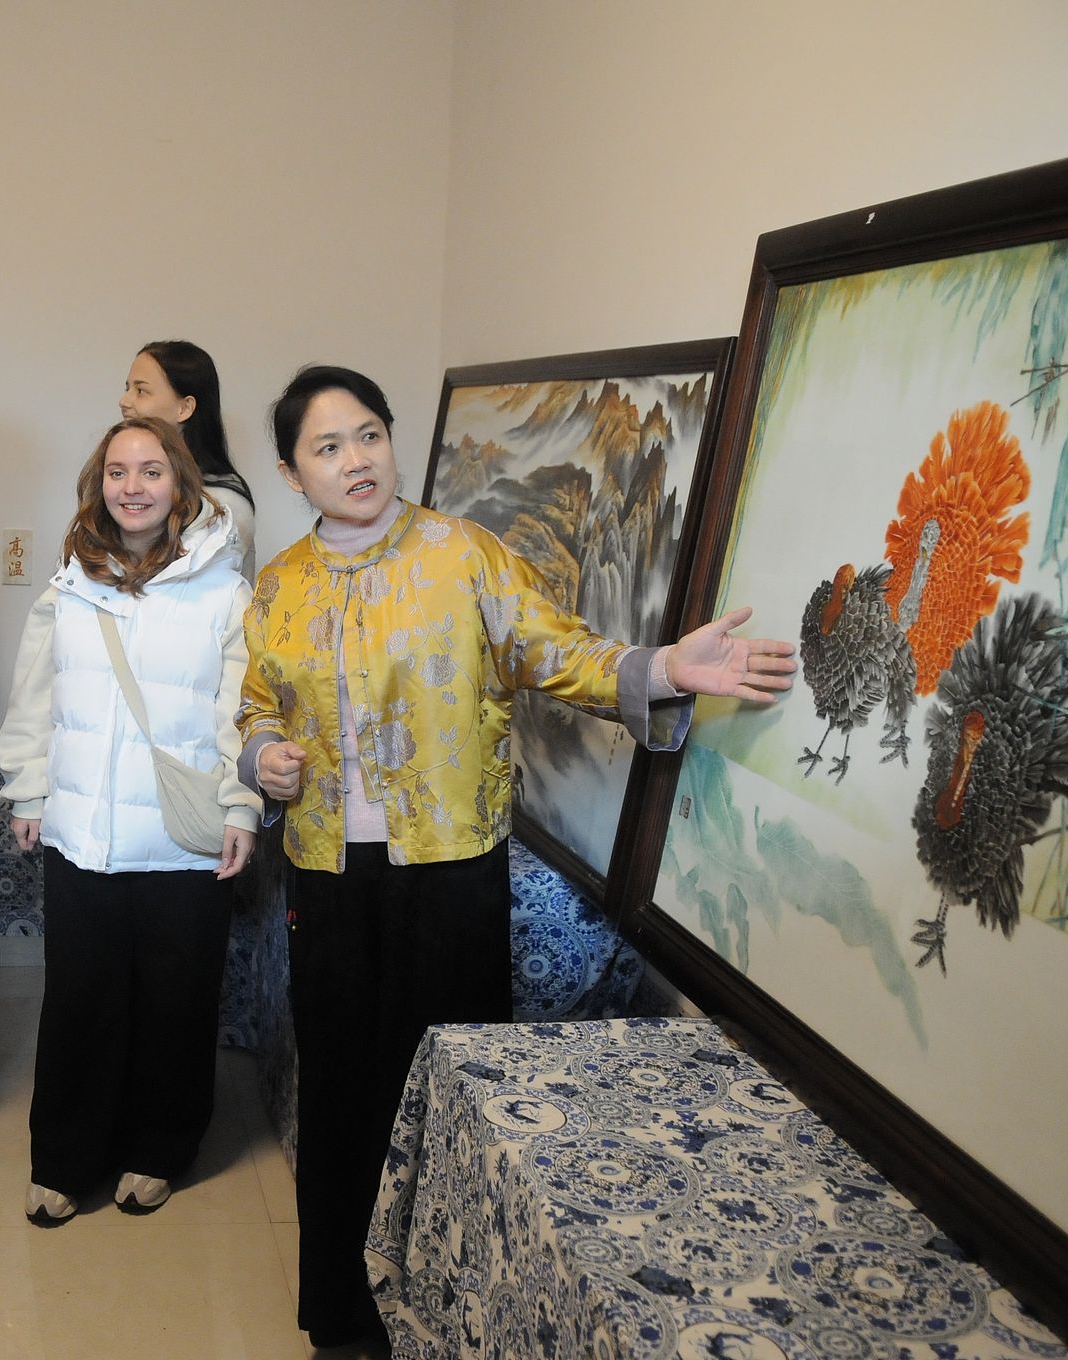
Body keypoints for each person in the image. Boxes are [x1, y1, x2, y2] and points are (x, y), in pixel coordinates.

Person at [238, 365, 797, 1349]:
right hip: (326, 875)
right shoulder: (278, 585)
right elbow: (256, 705)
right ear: (292, 472)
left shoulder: (463, 556)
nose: (356, 459)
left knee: (453, 1092)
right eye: (327, 447)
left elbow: (561, 652)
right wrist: (261, 756)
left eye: (369, 434)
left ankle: (449, 1311)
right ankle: (342, 1313)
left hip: (450, 872)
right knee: (339, 1090)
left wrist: (666, 665)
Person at [0, 416, 260, 1224]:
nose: (133, 486)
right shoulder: (71, 583)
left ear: (180, 484)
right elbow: (35, 695)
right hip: (83, 835)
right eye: (118, 471)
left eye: (151, 470)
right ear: (99, 484)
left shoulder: (225, 589)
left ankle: (159, 1149)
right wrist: (28, 790)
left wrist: (243, 806)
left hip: (184, 837)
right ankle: (65, 1160)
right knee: (80, 1001)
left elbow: (242, 710)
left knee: (176, 1002)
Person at [118, 340, 255, 575]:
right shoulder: (121, 488)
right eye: (127, 388)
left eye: (141, 391)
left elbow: (179, 585)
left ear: (184, 408)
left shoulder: (223, 504)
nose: (124, 402)